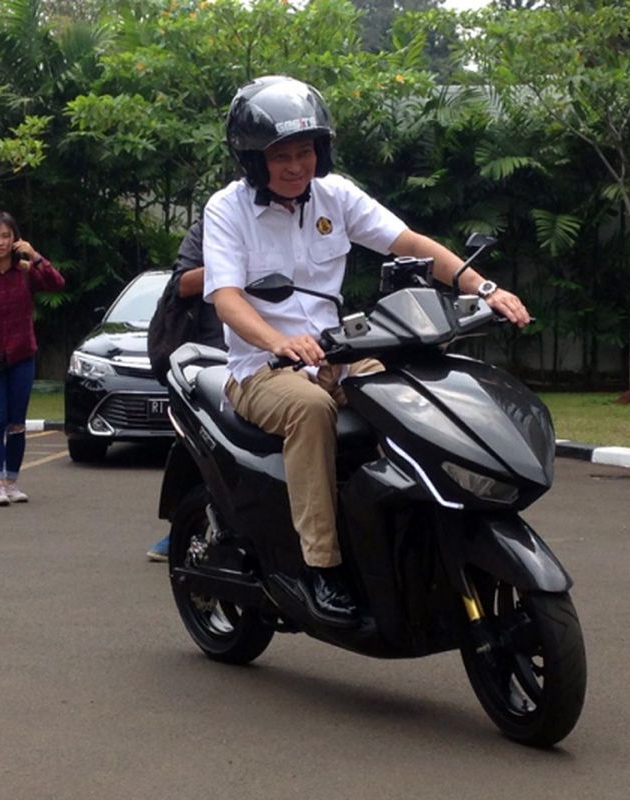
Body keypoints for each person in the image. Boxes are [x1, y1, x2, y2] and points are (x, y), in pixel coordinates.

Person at [203, 75, 530, 623]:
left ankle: (410, 525)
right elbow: (227, 299)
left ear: (320, 151)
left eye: (304, 151)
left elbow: (412, 245)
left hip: (335, 351)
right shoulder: (227, 210)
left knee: (406, 392)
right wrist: (280, 340)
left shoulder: (336, 196)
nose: (294, 165)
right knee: (311, 410)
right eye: (279, 155)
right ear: (253, 161)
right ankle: (321, 566)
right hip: (261, 367)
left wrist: (486, 289)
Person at [0, 211, 65, 507]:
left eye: (6, 236)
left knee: (17, 423)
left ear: (15, 238)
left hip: (22, 356)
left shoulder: (26, 271)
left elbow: (57, 284)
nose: (1, 242)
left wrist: (35, 256)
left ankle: (12, 482)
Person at [146, 219, 224, 561]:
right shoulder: (208, 228)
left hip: (270, 351)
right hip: (209, 356)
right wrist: (231, 266)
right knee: (195, 445)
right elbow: (181, 284)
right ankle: (182, 525)